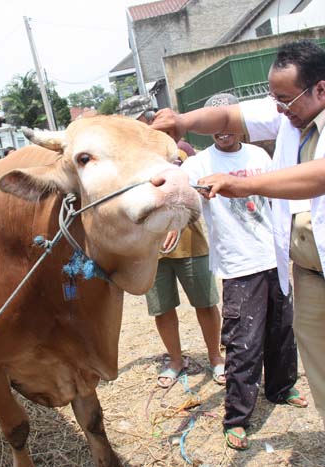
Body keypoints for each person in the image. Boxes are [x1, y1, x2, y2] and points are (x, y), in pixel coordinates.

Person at [152, 39, 325, 466]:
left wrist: (244, 185)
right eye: (274, 99)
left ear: (320, 89)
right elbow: (228, 115)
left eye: (285, 99)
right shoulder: (294, 113)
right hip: (311, 280)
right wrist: (182, 120)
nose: (278, 109)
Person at [182, 92, 307, 450]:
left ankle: (281, 388)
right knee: (244, 343)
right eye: (216, 124)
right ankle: (237, 417)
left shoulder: (260, 156)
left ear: (239, 124)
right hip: (239, 265)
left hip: (274, 257)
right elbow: (178, 194)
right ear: (209, 127)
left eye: (230, 122)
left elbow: (278, 198)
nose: (224, 131)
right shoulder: (197, 166)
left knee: (282, 329)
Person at [119, 97, 226, 389]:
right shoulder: (126, 159)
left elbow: (195, 192)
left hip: (189, 241)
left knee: (205, 301)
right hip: (149, 248)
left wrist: (177, 225)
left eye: (141, 120)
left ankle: (216, 357)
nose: (137, 127)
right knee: (161, 307)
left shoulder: (179, 149)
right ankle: (176, 360)